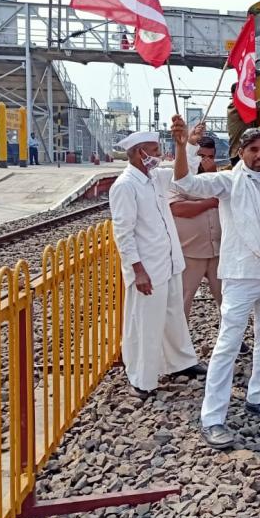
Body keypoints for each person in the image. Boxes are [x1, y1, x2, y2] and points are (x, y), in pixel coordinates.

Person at [172, 110, 260, 449]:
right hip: (241, 276)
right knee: (228, 345)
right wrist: (181, 147)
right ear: (241, 154)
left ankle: (257, 396)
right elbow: (185, 184)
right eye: (253, 151)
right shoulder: (229, 181)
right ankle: (213, 417)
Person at [109, 130, 204, 400]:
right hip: (147, 267)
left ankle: (179, 363)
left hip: (169, 262)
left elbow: (186, 172)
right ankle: (142, 379)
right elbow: (123, 233)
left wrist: (190, 143)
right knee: (146, 324)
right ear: (141, 152)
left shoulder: (156, 178)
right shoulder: (125, 186)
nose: (159, 154)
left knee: (173, 315)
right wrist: (137, 270)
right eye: (154, 149)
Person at [169, 128, 223, 319]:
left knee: (226, 299)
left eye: (210, 156)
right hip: (190, 250)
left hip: (218, 250)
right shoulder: (179, 178)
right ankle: (179, 343)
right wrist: (210, 202)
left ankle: (233, 340)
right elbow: (177, 208)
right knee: (184, 297)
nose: (205, 160)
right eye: (201, 155)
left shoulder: (222, 178)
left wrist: (212, 174)